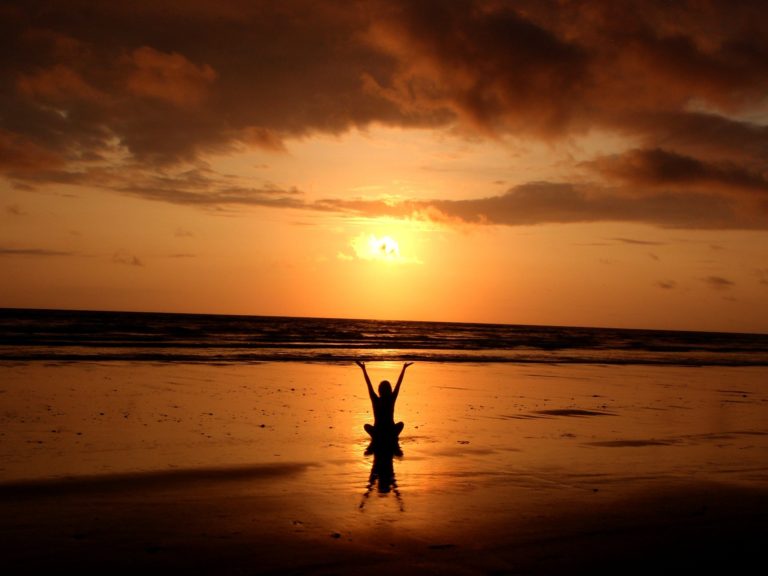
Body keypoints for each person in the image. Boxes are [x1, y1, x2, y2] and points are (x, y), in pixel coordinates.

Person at [356, 361, 413, 444]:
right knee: (401, 424)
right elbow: (398, 384)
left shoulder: (376, 399)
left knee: (366, 426)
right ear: (389, 389)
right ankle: (391, 437)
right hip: (391, 431)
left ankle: (379, 437)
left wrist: (363, 369)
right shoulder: (391, 399)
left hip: (377, 431)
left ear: (379, 390)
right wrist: (404, 368)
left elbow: (369, 385)